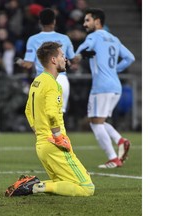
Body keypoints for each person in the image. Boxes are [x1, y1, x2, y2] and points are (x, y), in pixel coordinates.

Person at [5, 42, 95, 197]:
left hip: (42, 144)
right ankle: (33, 187)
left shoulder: (37, 81)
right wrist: (58, 136)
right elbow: (52, 113)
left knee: (62, 181)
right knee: (87, 188)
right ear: (53, 60)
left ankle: (31, 185)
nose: (65, 59)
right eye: (61, 55)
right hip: (54, 144)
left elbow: (28, 111)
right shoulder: (53, 84)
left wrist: (40, 132)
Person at [75, 8, 135, 168]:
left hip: (101, 87)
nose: (84, 24)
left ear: (97, 21)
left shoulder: (93, 36)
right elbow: (130, 57)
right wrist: (115, 69)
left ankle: (113, 158)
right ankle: (120, 141)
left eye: (87, 20)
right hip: (115, 86)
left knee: (95, 123)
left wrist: (76, 56)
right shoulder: (114, 38)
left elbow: (83, 48)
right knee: (99, 121)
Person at [15, 8, 89, 113]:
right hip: (61, 80)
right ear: (54, 21)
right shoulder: (65, 38)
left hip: (43, 81)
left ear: (40, 22)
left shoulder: (33, 39)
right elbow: (74, 60)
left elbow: (28, 65)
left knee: (42, 118)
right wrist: (82, 55)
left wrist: (18, 61)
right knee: (58, 117)